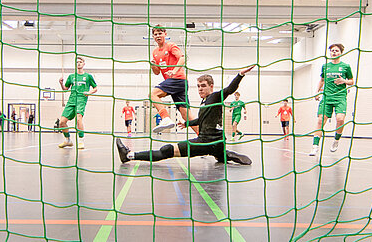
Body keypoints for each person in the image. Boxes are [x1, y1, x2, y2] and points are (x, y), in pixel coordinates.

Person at [116, 66, 255, 166]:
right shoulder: (206, 102)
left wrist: (240, 75)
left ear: (211, 87)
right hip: (216, 143)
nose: (200, 88)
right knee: (219, 154)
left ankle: (129, 155)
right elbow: (202, 120)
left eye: (203, 86)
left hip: (206, 142)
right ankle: (224, 154)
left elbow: (230, 89)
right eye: (198, 86)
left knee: (167, 150)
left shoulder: (215, 96)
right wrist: (187, 123)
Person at [149, 26, 197, 134]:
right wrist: (153, 65)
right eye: (155, 34)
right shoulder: (155, 52)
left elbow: (183, 58)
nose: (158, 36)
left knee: (153, 94)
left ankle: (165, 118)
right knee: (186, 115)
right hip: (176, 84)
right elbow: (157, 72)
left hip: (177, 79)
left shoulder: (170, 46)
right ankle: (203, 136)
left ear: (165, 34)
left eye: (160, 33)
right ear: (153, 37)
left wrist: (174, 71)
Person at [310, 43, 354, 156]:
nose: (334, 52)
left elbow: (351, 81)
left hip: (340, 97)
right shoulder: (325, 66)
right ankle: (315, 146)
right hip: (327, 97)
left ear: (341, 53)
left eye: (336, 50)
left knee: (340, 119)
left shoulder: (346, 66)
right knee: (320, 121)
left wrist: (344, 81)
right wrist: (317, 91)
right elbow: (322, 80)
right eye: (332, 50)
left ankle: (336, 140)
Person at [57, 56, 98, 150]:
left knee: (79, 119)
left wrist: (89, 93)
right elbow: (65, 89)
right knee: (62, 122)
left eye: (80, 62)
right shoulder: (71, 76)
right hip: (71, 100)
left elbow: (95, 88)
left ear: (84, 64)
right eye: (77, 62)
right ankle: (68, 140)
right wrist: (61, 83)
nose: (78, 63)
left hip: (81, 100)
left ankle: (81, 141)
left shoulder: (88, 76)